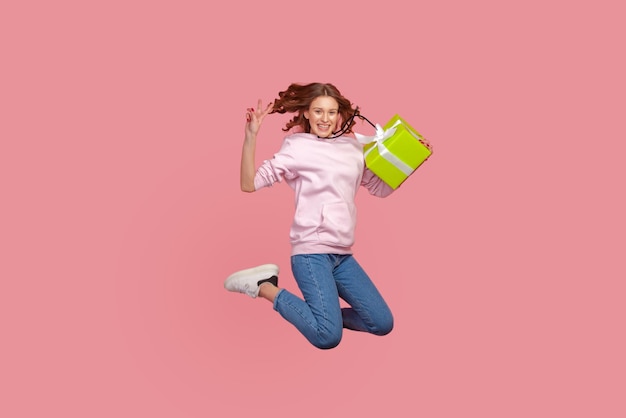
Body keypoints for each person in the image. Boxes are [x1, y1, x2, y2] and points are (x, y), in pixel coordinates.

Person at [224, 82, 396, 349]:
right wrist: (251, 136)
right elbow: (249, 184)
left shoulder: (353, 148)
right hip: (311, 254)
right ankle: (264, 287)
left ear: (340, 114)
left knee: (381, 322)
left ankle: (324, 318)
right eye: (318, 111)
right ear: (306, 113)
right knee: (328, 337)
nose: (324, 119)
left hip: (343, 255)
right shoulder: (297, 147)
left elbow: (379, 188)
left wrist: (412, 159)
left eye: (331, 112)